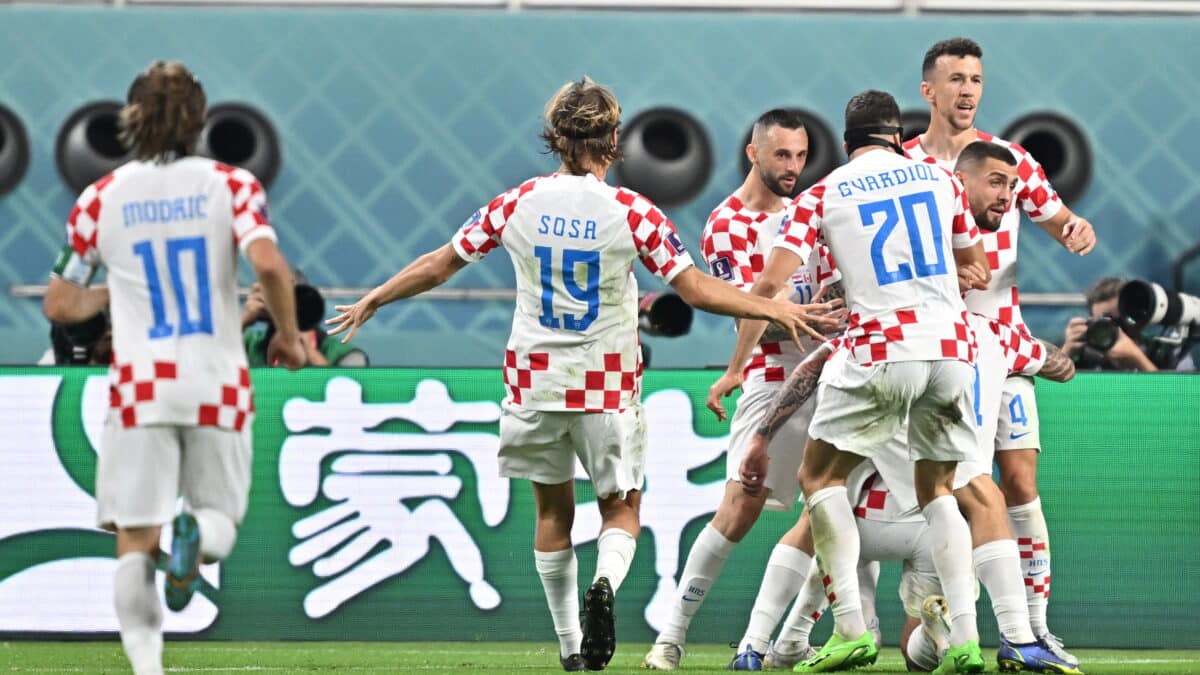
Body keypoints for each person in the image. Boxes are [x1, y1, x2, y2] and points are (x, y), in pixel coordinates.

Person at [325, 77, 839, 673]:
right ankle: (605, 585)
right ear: (613, 139)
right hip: (605, 385)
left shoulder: (516, 202)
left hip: (532, 384)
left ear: (556, 138)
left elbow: (441, 264)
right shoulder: (632, 212)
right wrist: (772, 305)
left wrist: (376, 298)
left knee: (551, 515)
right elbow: (695, 289)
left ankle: (571, 648)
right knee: (620, 510)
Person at [42, 61, 305, 675]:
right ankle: (196, 533)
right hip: (216, 382)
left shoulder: (99, 198)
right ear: (199, 120)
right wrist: (288, 336)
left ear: (131, 120)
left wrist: (119, 293)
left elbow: (60, 302)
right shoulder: (232, 185)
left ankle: (148, 669)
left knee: (135, 537)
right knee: (219, 526)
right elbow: (267, 262)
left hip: (140, 389)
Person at [730, 89, 990, 673]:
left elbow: (771, 285)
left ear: (846, 143)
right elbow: (977, 264)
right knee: (940, 491)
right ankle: (968, 641)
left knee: (818, 477)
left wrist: (738, 322)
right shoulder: (942, 181)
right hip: (951, 348)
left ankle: (850, 626)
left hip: (878, 348)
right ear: (899, 135)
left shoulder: (821, 194)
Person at [904, 38, 1099, 662]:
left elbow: (1059, 219)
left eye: (976, 80)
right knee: (943, 488)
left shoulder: (1011, 161)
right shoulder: (908, 168)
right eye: (956, 79)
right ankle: (930, 620)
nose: (968, 90)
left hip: (1006, 349)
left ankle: (1034, 629)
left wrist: (1075, 230)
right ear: (928, 90)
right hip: (936, 352)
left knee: (1017, 480)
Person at [641, 108, 840, 671]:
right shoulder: (728, 224)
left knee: (834, 507)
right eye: (782, 155)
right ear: (753, 153)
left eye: (801, 156)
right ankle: (671, 637)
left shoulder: (815, 212)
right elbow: (747, 312)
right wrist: (792, 324)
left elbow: (834, 293)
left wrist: (830, 314)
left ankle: (786, 638)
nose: (793, 168)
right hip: (772, 374)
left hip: (836, 371)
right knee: (740, 506)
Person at [242, 273, 368, 367]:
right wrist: (244, 320)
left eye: (293, 298)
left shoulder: (343, 354)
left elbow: (346, 393)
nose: (285, 306)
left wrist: (304, 348)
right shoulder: (248, 344)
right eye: (275, 295)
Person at [1061, 277, 1160, 372]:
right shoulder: (1084, 354)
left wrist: (1137, 358)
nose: (1115, 330)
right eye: (1103, 324)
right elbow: (1050, 387)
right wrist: (1066, 352)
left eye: (1119, 322)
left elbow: (1169, 388)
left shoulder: (1156, 350)